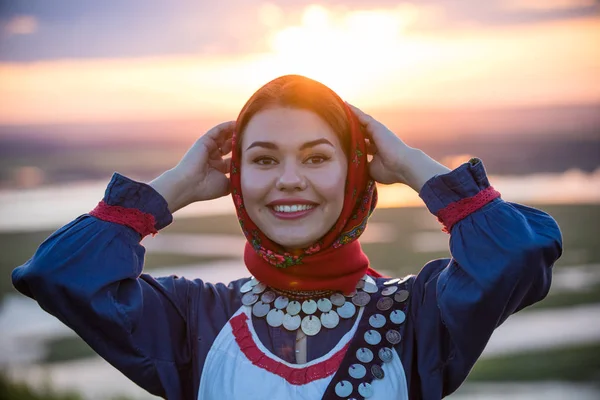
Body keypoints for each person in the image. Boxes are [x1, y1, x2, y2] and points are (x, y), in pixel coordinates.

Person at [12, 75, 563, 400]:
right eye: (264, 159)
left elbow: (518, 255)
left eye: (318, 158)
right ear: (237, 179)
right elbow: (58, 274)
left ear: (355, 172)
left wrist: (416, 166)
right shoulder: (194, 322)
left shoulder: (418, 318)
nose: (289, 179)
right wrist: (170, 189)